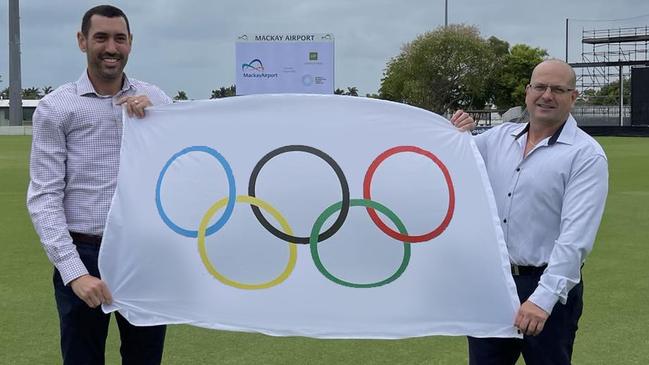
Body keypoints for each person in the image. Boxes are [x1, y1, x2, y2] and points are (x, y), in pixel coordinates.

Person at [27, 5, 172, 364]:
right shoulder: (56, 108)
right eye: (101, 38)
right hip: (84, 252)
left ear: (130, 44)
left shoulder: (158, 100)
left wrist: (159, 117)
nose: (111, 47)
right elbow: (44, 197)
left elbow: (187, 165)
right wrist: (74, 273)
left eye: (119, 38)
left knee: (145, 358)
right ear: (82, 41)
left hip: (144, 253)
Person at [455, 59, 608, 364]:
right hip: (493, 283)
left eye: (558, 89)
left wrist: (543, 298)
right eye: (540, 87)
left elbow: (575, 238)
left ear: (573, 97)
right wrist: (458, 131)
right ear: (527, 92)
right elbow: (453, 154)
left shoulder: (586, 155)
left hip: (546, 286)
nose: (547, 95)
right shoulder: (496, 139)